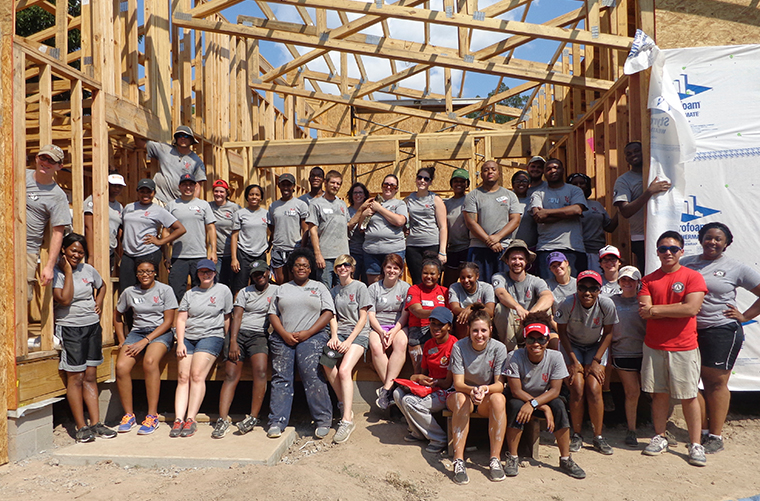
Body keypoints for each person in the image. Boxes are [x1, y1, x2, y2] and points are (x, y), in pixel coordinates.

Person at [682, 222, 760, 454]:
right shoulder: (687, 264)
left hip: (721, 330)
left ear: (726, 243)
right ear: (700, 239)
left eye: (718, 239)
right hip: (689, 331)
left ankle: (716, 435)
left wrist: (744, 316)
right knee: (690, 382)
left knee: (715, 383)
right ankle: (702, 431)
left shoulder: (735, 267)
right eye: (708, 237)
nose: (712, 242)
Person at [638, 231, 707, 466]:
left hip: (684, 347)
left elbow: (691, 309)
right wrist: (674, 308)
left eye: (673, 249)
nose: (668, 252)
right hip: (654, 346)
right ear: (657, 252)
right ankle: (659, 436)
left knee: (689, 396)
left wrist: (657, 311)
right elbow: (644, 311)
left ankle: (695, 444)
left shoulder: (693, 277)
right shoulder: (648, 280)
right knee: (659, 394)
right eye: (663, 249)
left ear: (681, 251)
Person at [503, 322, 586, 479]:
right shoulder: (514, 356)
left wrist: (535, 404)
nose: (536, 344)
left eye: (540, 339)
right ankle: (512, 457)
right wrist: (542, 407)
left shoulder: (555, 357)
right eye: (531, 339)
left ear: (547, 341)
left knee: (559, 406)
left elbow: (555, 390)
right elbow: (516, 390)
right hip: (521, 397)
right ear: (524, 341)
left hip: (544, 396)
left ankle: (566, 458)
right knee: (515, 406)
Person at [52, 233, 114, 443]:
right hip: (70, 328)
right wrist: (68, 271)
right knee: (75, 377)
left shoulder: (89, 270)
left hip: (92, 327)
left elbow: (103, 285)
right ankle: (81, 426)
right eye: (73, 251)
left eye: (80, 252)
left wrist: (100, 301)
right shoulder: (57, 272)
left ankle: (96, 423)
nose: (77, 255)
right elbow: (65, 298)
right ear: (64, 250)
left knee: (90, 375)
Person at [267, 248, 334, 439]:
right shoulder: (282, 288)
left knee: (311, 373)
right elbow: (273, 314)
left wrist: (308, 333)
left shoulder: (319, 287)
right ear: (292, 268)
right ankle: (276, 421)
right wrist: (284, 334)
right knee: (281, 377)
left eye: (305, 265)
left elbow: (328, 312)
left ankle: (323, 420)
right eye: (297, 265)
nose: (301, 268)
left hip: (312, 336)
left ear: (310, 268)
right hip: (284, 337)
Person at [555, 270, 618, 456]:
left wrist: (597, 361)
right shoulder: (567, 303)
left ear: (599, 290)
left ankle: (598, 436)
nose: (587, 292)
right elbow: (562, 333)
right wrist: (573, 361)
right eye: (582, 287)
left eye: (593, 288)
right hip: (571, 346)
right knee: (577, 386)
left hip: (595, 346)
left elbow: (608, 334)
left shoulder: (606, 304)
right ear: (577, 288)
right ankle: (576, 434)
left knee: (594, 386)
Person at [213, 260, 277, 439]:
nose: (260, 276)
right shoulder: (244, 292)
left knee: (261, 371)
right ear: (252, 277)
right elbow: (237, 316)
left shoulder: (277, 290)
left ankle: (253, 417)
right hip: (239, 334)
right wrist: (233, 341)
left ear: (268, 273)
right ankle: (223, 419)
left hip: (259, 335)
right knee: (231, 375)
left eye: (262, 273)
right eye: (256, 274)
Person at [171, 259, 233, 438]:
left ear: (215, 273)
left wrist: (227, 342)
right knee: (183, 377)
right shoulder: (191, 294)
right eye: (202, 272)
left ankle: (191, 418)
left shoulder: (223, 291)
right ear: (197, 274)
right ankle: (178, 419)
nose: (205, 275)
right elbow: (181, 319)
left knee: (197, 375)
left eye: (209, 272)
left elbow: (227, 317)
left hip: (211, 336)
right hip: (188, 337)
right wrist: (180, 342)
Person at [114, 259, 177, 435]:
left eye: (149, 271)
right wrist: (121, 339)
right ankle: (129, 414)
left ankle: (151, 415)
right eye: (141, 272)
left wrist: (146, 341)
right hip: (137, 332)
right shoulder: (129, 292)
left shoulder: (165, 290)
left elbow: (168, 322)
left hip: (160, 332)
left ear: (155, 272)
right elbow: (117, 314)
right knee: (121, 366)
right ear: (136, 274)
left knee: (149, 362)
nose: (145, 275)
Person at [447, 304, 508, 485]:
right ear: (469, 331)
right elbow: (458, 384)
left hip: (485, 396)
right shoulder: (459, 347)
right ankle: (458, 460)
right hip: (462, 393)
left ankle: (495, 459)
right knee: (461, 400)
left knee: (499, 398)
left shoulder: (499, 348)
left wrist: (484, 389)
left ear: (490, 330)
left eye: (483, 330)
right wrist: (472, 390)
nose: (479, 335)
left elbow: (499, 384)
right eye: (475, 331)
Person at [321, 255, 371, 443]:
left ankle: (346, 420)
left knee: (344, 370)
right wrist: (334, 336)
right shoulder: (334, 291)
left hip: (358, 334)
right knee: (326, 362)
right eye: (339, 265)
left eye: (346, 265)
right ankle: (345, 403)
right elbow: (332, 316)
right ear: (335, 270)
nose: (342, 268)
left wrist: (349, 341)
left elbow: (363, 317)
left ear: (352, 268)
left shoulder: (360, 287)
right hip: (340, 333)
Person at [393, 306, 456, 454]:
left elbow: (448, 383)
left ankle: (439, 438)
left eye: (441, 324)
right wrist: (418, 378)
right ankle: (418, 433)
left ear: (449, 326)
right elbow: (422, 373)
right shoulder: (428, 344)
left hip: (447, 391)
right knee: (397, 394)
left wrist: (432, 381)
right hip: (431, 387)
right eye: (433, 323)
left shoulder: (455, 345)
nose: (436, 328)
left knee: (410, 402)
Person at [119, 178, 186, 293]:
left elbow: (180, 229)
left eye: (148, 192)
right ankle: (128, 311)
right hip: (129, 254)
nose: (145, 195)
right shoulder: (129, 208)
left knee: (146, 287)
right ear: (137, 192)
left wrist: (160, 242)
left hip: (148, 252)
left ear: (154, 193)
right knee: (125, 289)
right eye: (142, 191)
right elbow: (122, 227)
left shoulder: (158, 210)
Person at [612, 141, 671, 272]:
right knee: (649, 273)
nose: (633, 155)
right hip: (641, 237)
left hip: (666, 230)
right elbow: (625, 211)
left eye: (637, 151)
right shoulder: (624, 180)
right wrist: (649, 192)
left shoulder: (660, 173)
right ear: (626, 159)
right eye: (629, 154)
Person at [26, 144, 73, 302]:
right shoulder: (19, 176)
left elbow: (58, 233)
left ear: (59, 166)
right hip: (4, 243)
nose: (45, 163)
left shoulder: (57, 196)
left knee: (20, 297)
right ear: (36, 158)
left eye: (51, 161)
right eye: (43, 158)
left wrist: (49, 266)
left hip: (27, 250)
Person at [529, 158, 588, 279]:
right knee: (548, 288)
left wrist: (548, 212)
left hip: (573, 247)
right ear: (544, 173)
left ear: (563, 170)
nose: (553, 171)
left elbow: (577, 210)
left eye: (556, 167)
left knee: (574, 287)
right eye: (549, 169)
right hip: (546, 248)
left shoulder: (574, 190)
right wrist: (567, 213)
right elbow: (538, 217)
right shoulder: (538, 193)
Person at [463, 160, 521, 282]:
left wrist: (498, 237)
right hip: (479, 248)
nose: (490, 171)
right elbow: (471, 223)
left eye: (493, 169)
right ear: (481, 175)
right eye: (486, 169)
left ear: (499, 173)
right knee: (479, 287)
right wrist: (489, 241)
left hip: (503, 249)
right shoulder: (473, 196)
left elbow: (515, 220)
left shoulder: (510, 195)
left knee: (504, 286)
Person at [609, 265, 647, 447]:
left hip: (646, 352)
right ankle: (631, 429)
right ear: (619, 281)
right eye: (624, 279)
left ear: (638, 282)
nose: (627, 282)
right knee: (632, 392)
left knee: (657, 392)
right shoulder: (610, 302)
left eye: (632, 280)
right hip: (622, 351)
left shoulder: (645, 301)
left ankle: (659, 430)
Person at [492, 240, 554, 350]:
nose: (517, 262)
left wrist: (530, 315)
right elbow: (501, 293)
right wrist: (517, 307)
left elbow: (548, 297)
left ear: (526, 261)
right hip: (510, 324)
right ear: (507, 261)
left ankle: (535, 348)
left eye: (521, 259)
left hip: (531, 324)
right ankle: (512, 352)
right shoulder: (499, 277)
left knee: (546, 310)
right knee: (500, 308)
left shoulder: (536, 280)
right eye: (513, 259)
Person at [369, 253, 411, 411]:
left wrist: (393, 332)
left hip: (398, 325)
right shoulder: (373, 288)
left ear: (400, 271)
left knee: (401, 343)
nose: (392, 271)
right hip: (378, 325)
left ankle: (386, 389)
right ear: (383, 268)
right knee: (375, 346)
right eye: (389, 267)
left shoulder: (405, 288)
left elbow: (405, 314)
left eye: (396, 268)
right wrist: (381, 332)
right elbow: (370, 314)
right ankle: (393, 390)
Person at [166, 173, 217, 302]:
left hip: (199, 255)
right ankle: (181, 320)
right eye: (184, 185)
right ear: (179, 186)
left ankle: (198, 320)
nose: (187, 187)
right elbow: (166, 232)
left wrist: (213, 251)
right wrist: (167, 255)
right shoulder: (171, 206)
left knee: (200, 291)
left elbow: (211, 228)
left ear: (195, 186)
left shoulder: (203, 205)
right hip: (178, 257)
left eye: (190, 185)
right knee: (177, 292)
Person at [138, 126, 207, 205]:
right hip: (158, 198)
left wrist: (191, 205)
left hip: (178, 203)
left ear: (191, 139)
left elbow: (197, 186)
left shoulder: (196, 161)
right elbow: (140, 143)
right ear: (176, 139)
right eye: (180, 136)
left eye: (186, 136)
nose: (183, 138)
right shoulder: (165, 149)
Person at [405, 255, 448, 374]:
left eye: (432, 274)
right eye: (425, 273)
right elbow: (417, 311)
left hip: (439, 329)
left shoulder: (444, 292)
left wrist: (438, 319)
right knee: (420, 369)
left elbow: (450, 315)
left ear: (439, 275)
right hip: (418, 329)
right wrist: (439, 313)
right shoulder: (414, 289)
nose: (428, 277)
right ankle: (418, 383)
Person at [361, 174, 408, 284]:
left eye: (392, 186)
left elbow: (399, 221)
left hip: (393, 249)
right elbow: (361, 227)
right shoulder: (372, 202)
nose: (388, 187)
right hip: (371, 251)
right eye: (386, 184)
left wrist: (379, 209)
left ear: (396, 189)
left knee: (392, 283)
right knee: (373, 286)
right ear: (382, 186)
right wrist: (363, 215)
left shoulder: (399, 204)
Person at [567, 173, 618, 275]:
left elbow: (609, 227)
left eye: (582, 183)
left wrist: (620, 209)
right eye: (575, 183)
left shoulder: (596, 205)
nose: (579, 186)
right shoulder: (566, 206)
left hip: (596, 252)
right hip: (575, 252)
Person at [307, 170, 350, 288]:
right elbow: (312, 230)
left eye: (338, 184)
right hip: (326, 257)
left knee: (342, 289)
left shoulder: (342, 204)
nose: (335, 186)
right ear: (325, 183)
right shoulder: (316, 204)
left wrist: (362, 211)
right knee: (325, 289)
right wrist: (318, 254)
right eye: (333, 182)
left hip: (342, 257)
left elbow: (348, 225)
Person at [405, 167, 448, 284]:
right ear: (416, 179)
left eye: (426, 179)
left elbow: (443, 226)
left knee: (433, 280)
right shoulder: (409, 199)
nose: (422, 181)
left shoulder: (435, 199)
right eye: (420, 178)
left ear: (430, 182)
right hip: (413, 246)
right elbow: (403, 219)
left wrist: (442, 251)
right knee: (417, 280)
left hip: (432, 244)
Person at [268, 173, 309, 285]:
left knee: (294, 283)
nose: (286, 188)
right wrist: (270, 244)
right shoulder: (273, 206)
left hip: (294, 248)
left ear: (293, 186)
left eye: (288, 185)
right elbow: (272, 227)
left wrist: (302, 248)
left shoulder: (300, 205)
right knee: (280, 283)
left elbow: (305, 228)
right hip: (278, 249)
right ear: (279, 186)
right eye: (283, 185)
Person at [230, 184, 269, 297]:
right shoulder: (240, 214)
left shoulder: (266, 214)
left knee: (260, 285)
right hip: (243, 254)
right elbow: (234, 236)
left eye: (257, 195)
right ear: (247, 197)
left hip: (260, 253)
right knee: (240, 286)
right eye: (251, 194)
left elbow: (272, 231)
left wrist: (269, 244)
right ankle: (237, 312)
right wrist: (234, 258)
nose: (254, 197)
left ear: (261, 198)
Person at [84, 173, 125, 271]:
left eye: (119, 186)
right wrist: (91, 255)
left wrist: (120, 253)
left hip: (109, 251)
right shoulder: (93, 200)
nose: (117, 189)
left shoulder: (119, 207)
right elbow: (88, 227)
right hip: (93, 249)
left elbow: (119, 231)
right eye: (114, 186)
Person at [448, 262, 496, 339]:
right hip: (464, 320)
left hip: (482, 318)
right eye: (462, 278)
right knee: (462, 319)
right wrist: (468, 311)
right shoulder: (454, 287)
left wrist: (471, 308)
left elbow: (490, 312)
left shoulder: (487, 287)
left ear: (477, 276)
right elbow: (455, 309)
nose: (466, 280)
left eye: (469, 277)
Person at [209, 179, 241, 288]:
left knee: (232, 283)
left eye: (221, 192)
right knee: (217, 283)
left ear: (227, 193)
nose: (219, 194)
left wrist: (235, 256)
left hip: (232, 253)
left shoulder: (234, 208)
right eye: (216, 191)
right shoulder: (208, 207)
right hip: (215, 254)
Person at [443, 169, 470, 287]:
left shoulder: (471, 200)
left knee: (468, 282)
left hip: (468, 248)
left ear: (467, 184)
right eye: (455, 181)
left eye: (462, 181)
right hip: (452, 249)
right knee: (449, 284)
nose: (458, 184)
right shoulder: (446, 204)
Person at [346, 182, 370, 282]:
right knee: (352, 280)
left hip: (368, 252)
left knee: (366, 282)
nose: (358, 195)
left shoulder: (371, 210)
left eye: (360, 192)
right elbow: (347, 229)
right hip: (353, 252)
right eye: (355, 193)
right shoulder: (347, 211)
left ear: (365, 195)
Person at [510, 170, 539, 254]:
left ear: (529, 184)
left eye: (524, 181)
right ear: (512, 184)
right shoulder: (507, 200)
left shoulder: (533, 200)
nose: (521, 183)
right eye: (518, 181)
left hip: (530, 247)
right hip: (509, 247)